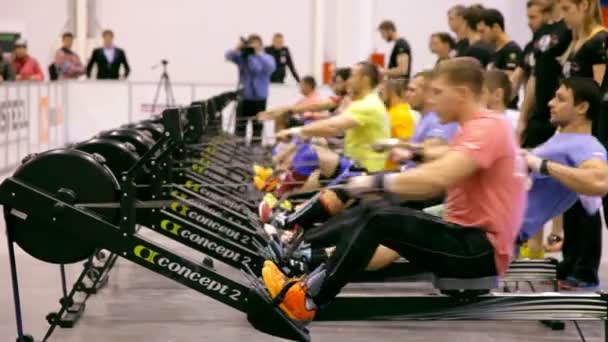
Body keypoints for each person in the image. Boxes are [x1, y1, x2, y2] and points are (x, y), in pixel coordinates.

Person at [260, 57, 527, 322]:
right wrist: (395, 172)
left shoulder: (488, 128)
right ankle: (296, 257)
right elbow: (443, 163)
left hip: (479, 249)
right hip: (465, 237)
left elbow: (439, 177)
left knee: (378, 219)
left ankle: (308, 298)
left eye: (437, 92)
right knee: (375, 208)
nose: (431, 100)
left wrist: (377, 182)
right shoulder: (479, 126)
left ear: (462, 94)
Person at [518, 77, 608, 289]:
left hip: (493, 226)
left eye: (560, 99)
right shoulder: (560, 138)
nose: (550, 103)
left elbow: (600, 181)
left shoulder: (586, 145)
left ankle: (584, 272)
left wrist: (543, 166)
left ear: (582, 107)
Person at [558, 0, 607, 290]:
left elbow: (598, 95)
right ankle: (571, 260)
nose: (562, 17)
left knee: (589, 200)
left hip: (593, 132)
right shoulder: (576, 43)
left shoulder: (599, 41)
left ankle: (586, 268)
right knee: (572, 199)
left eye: (567, 9)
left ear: (584, 6)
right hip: (573, 132)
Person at [276, 62, 389, 172]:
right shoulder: (360, 101)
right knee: (311, 154)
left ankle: (280, 176)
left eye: (352, 76)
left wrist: (296, 130)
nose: (348, 81)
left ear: (365, 80)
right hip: (351, 160)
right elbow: (325, 113)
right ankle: (282, 181)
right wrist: (290, 111)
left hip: (363, 168)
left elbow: (333, 127)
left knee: (311, 151)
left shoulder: (368, 104)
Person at [225, 34, 276, 139]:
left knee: (258, 127)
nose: (252, 46)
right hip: (244, 97)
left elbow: (271, 67)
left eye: (256, 44)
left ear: (261, 46)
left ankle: (256, 149)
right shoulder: (244, 56)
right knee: (240, 127)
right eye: (250, 44)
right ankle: (238, 148)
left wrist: (257, 53)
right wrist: (239, 47)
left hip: (260, 98)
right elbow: (228, 55)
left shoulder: (266, 58)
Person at [258, 68, 352, 122]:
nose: (332, 84)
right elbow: (303, 107)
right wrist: (282, 110)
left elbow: (315, 108)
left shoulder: (348, 101)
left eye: (337, 81)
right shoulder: (338, 99)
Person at [477, 8, 523, 109]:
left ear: (495, 27)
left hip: (505, 108)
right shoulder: (494, 50)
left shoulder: (511, 50)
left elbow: (510, 83)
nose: (480, 37)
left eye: (483, 31)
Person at [378, 78, 416, 169]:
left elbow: (406, 143)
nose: (379, 96)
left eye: (382, 93)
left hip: (391, 169)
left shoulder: (400, 114)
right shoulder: (390, 112)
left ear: (391, 93)